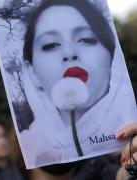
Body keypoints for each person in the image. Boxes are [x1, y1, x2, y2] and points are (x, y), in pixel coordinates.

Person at [19, 0, 137, 168]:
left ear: (111, 56)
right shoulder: (27, 151)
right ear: (32, 72)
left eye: (86, 39)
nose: (69, 53)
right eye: (50, 44)